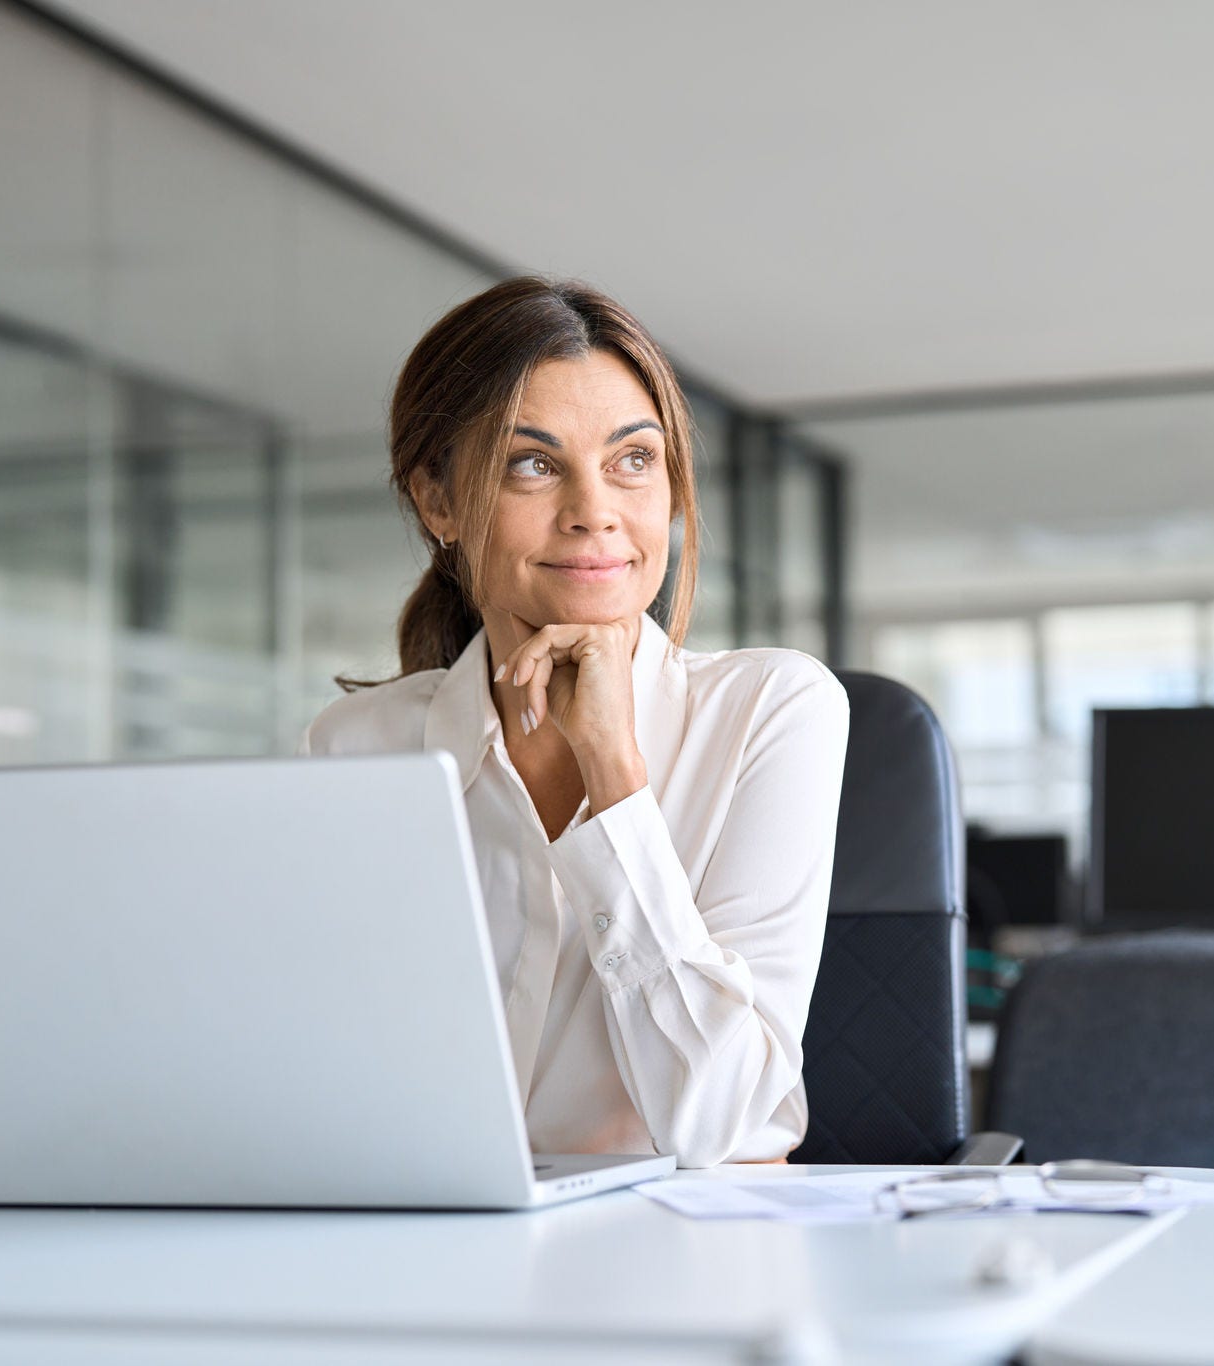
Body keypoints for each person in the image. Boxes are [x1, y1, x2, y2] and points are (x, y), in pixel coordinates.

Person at [299, 277, 849, 1167]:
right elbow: (323, 1073)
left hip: (696, 1246)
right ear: (438, 503)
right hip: (442, 1241)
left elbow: (719, 1124)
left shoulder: (774, 711)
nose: (595, 509)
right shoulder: (358, 746)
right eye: (534, 463)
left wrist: (613, 770)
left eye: (633, 459)